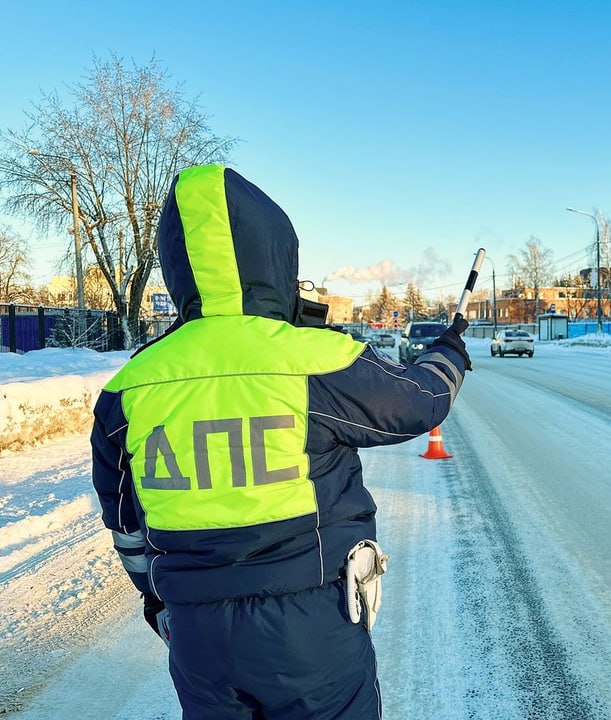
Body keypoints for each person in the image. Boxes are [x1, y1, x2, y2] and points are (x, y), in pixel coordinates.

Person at [90, 163, 471, 719]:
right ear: (274, 258)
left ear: (178, 265)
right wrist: (450, 352)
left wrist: (160, 605)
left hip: (197, 638)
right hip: (312, 633)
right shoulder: (313, 357)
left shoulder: (129, 387)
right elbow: (419, 401)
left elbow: (125, 522)